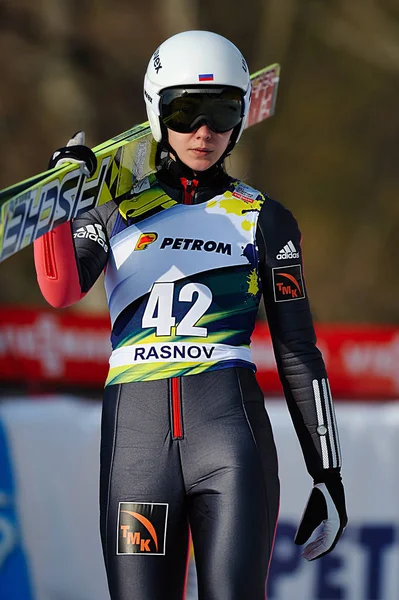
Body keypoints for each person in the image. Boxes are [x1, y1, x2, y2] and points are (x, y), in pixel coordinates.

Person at [34, 30, 347, 600]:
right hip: (138, 448)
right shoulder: (114, 210)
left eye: (223, 112)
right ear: (157, 113)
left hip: (230, 444)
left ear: (240, 119)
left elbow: (298, 352)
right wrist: (63, 200)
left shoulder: (263, 217)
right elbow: (59, 287)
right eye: (185, 112)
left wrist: (327, 472)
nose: (203, 132)